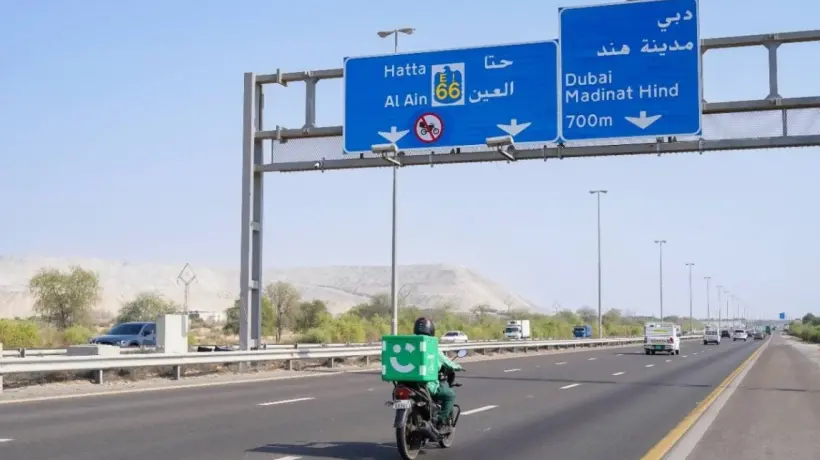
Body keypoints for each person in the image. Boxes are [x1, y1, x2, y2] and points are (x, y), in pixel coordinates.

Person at [412, 316, 464, 432]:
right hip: (425, 384)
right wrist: (459, 367)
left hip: (406, 383)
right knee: (450, 395)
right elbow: (447, 362)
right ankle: (439, 420)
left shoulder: (408, 343)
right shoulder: (431, 345)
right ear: (431, 330)